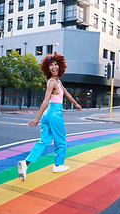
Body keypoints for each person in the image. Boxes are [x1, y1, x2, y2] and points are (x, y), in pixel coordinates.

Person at [18, 52, 82, 181]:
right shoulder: (51, 82)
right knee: (61, 140)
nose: (54, 67)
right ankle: (58, 165)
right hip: (54, 113)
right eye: (51, 65)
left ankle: (26, 163)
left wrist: (76, 104)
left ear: (60, 66)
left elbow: (66, 93)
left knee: (45, 141)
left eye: (56, 64)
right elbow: (46, 100)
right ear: (48, 68)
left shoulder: (58, 82)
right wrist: (37, 118)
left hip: (48, 114)